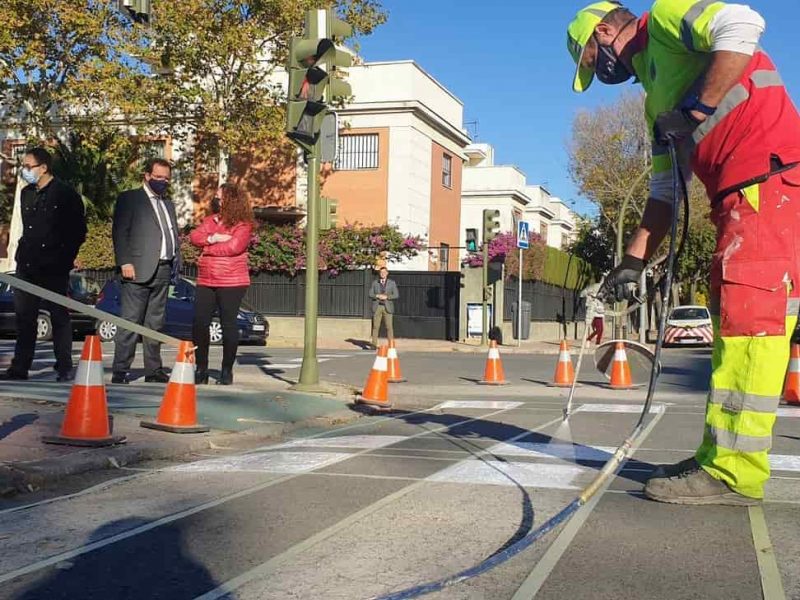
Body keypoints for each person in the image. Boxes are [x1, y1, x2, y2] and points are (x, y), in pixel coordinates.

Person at [567, 1, 800, 506]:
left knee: (752, 326)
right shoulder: (654, 103)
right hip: (737, 199)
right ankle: (719, 457)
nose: (597, 71)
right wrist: (632, 262)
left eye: (589, 59)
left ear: (604, 31)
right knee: (734, 327)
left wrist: (695, 108)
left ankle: (734, 474)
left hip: (769, 180)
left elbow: (743, 24)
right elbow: (666, 191)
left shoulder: (666, 19)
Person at [1, 148, 86, 382]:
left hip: (54, 266)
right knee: (25, 318)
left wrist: (64, 259)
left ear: (43, 167)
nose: (24, 171)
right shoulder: (26, 193)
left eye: (29, 166)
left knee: (58, 316)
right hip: (27, 265)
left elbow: (78, 231)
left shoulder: (65, 194)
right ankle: (20, 367)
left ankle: (64, 366)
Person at [111, 158, 181, 384]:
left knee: (155, 323)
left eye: (166, 178)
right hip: (137, 270)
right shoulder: (130, 199)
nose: (162, 182)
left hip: (163, 269)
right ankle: (121, 370)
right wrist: (125, 262)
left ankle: (154, 370)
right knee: (130, 322)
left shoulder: (168, 204)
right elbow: (120, 232)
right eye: (158, 177)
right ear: (147, 175)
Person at [189, 184, 254, 385]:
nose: (216, 200)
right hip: (206, 278)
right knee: (200, 323)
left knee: (228, 324)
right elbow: (194, 237)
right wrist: (213, 238)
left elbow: (234, 247)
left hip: (232, 280)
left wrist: (207, 249)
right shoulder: (211, 221)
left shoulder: (243, 225)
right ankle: (201, 368)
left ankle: (227, 370)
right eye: (216, 196)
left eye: (220, 197)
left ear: (231, 200)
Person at [369, 267, 399, 349]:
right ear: (379, 273)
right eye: (381, 272)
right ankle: (374, 344)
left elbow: (396, 295)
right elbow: (370, 294)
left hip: (387, 307)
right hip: (377, 306)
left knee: (389, 327)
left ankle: (391, 345)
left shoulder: (392, 283)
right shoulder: (375, 283)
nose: (382, 274)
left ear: (387, 273)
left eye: (384, 272)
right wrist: (377, 295)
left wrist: (387, 297)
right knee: (375, 326)